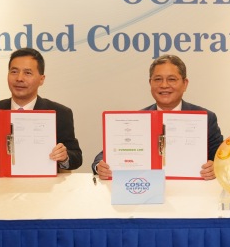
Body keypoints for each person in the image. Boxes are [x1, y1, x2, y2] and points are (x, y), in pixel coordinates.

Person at [0, 48, 83, 169]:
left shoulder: (60, 113)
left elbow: (76, 157)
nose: (19, 78)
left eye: (27, 73)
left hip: (42, 186)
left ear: (41, 79)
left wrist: (64, 157)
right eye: (14, 71)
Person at [92, 54, 223, 180]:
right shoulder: (137, 120)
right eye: (158, 79)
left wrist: (215, 167)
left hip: (191, 190)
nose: (164, 85)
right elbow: (106, 155)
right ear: (150, 83)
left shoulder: (206, 118)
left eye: (172, 79)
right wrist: (100, 166)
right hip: (146, 188)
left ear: (185, 84)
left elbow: (222, 159)